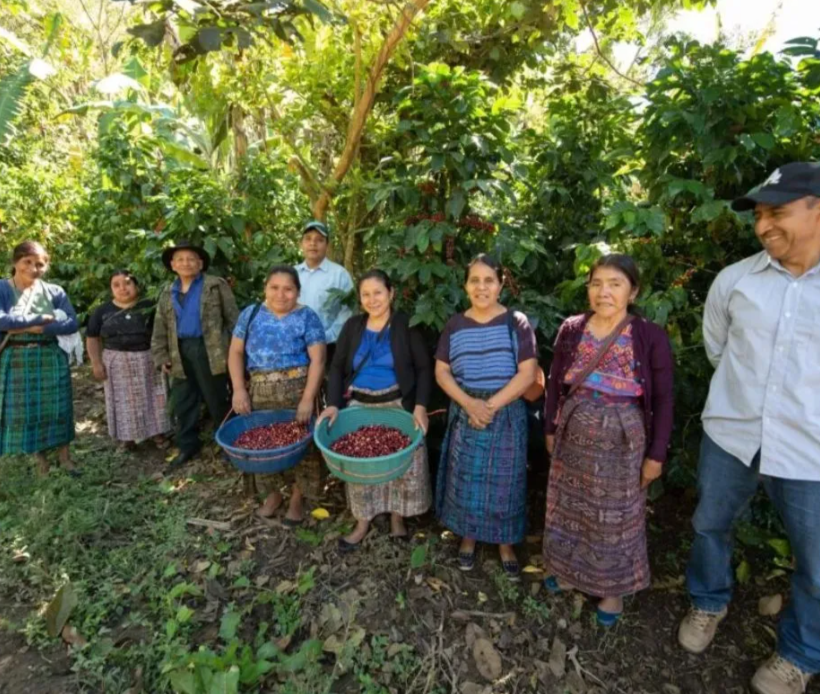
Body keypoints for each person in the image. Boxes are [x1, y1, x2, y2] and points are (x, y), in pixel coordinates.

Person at [677, 163, 820, 694]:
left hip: (810, 452)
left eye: (776, 212)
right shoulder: (735, 281)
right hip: (731, 437)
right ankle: (708, 601)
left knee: (817, 564)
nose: (762, 226)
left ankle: (799, 654)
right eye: (758, 215)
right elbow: (719, 349)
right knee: (709, 525)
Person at [541, 254, 674, 626]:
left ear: (633, 292)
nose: (604, 292)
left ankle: (612, 590)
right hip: (573, 435)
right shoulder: (572, 329)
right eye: (597, 283)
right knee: (570, 508)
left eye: (615, 284)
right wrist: (550, 428)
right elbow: (555, 382)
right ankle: (569, 572)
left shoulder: (649, 335)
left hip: (623, 442)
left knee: (616, 518)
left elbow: (664, 398)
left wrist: (656, 455)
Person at [434, 255, 538, 580]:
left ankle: (505, 544)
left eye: (489, 280)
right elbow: (442, 371)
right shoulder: (455, 324)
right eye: (474, 280)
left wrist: (488, 407)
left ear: (501, 285)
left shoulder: (515, 322)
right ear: (465, 286)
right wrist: (469, 404)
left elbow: (527, 373)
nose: (482, 287)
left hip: (505, 415)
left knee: (506, 484)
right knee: (465, 479)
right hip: (466, 413)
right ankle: (468, 537)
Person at [318, 269, 433, 552]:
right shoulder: (353, 326)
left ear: (391, 293)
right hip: (359, 405)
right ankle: (362, 522)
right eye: (366, 294)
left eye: (378, 292)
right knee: (360, 464)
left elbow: (424, 368)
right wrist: (332, 404)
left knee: (403, 464)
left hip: (397, 404)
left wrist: (420, 407)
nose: (372, 299)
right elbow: (336, 367)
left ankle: (397, 517)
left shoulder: (406, 325)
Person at [228, 266, 327, 525]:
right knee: (260, 444)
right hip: (259, 393)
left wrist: (308, 398)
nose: (280, 294)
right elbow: (235, 352)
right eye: (274, 287)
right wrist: (239, 389)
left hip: (298, 391)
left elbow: (318, 360)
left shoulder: (307, 316)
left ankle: (297, 498)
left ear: (298, 292)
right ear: (265, 288)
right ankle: (272, 496)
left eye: (288, 289)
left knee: (302, 446)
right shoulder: (250, 314)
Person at [151, 240, 239, 472]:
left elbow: (234, 320)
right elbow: (160, 327)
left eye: (191, 259)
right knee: (183, 401)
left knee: (217, 400)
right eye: (180, 259)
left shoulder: (215, 285)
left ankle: (230, 445)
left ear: (200, 263)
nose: (186, 263)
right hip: (179, 352)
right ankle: (187, 446)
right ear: (172, 265)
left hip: (211, 350)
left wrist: (238, 354)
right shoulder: (167, 292)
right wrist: (161, 355)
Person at [0, 240, 79, 476]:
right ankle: (40, 461)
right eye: (28, 262)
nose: (34, 268)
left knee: (59, 408)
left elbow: (71, 323)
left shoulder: (54, 291)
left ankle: (65, 458)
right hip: (16, 359)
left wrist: (38, 328)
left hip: (51, 356)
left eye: (40, 264)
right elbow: (2, 321)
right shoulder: (3, 289)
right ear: (15, 262)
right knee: (27, 411)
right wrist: (38, 320)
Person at [87, 270, 170, 449]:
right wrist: (96, 363)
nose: (122, 288)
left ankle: (158, 434)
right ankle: (127, 438)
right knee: (123, 401)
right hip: (116, 362)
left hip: (148, 359)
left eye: (127, 283)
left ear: (136, 286)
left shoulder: (149, 307)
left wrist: (163, 356)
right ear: (111, 289)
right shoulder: (102, 311)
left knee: (154, 397)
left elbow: (163, 332)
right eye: (116, 285)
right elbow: (92, 337)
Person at [295, 221, 354, 366]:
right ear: (301, 244)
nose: (313, 244)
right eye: (308, 239)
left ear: (327, 245)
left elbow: (347, 312)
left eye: (319, 240)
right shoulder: (292, 273)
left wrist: (324, 338)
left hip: (329, 347)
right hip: (294, 347)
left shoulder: (340, 274)